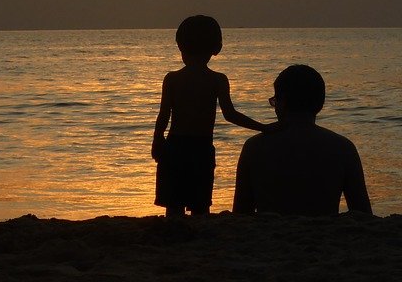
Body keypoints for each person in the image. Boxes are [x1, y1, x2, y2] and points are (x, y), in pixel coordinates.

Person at [152, 15, 271, 216]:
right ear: (217, 48)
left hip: (175, 146)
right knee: (200, 204)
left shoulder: (172, 79)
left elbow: (164, 115)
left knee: (174, 205)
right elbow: (230, 114)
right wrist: (263, 127)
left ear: (180, 46)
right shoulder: (217, 80)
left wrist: (157, 140)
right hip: (202, 147)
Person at [233, 64, 372, 215]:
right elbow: (362, 212)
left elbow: (241, 212)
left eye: (275, 101)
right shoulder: (343, 148)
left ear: (282, 102)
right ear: (320, 104)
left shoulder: (254, 147)